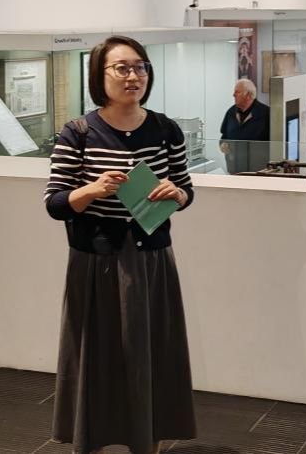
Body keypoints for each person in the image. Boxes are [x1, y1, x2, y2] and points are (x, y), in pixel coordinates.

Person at [44, 35, 197, 454]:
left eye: (140, 67)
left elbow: (185, 189)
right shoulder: (78, 132)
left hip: (151, 261)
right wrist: (92, 190)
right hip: (97, 262)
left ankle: (145, 442)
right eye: (122, 68)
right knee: (96, 358)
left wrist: (177, 194)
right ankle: (91, 441)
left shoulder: (165, 129)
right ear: (100, 75)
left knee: (151, 355)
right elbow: (55, 203)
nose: (133, 76)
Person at [219, 78, 271, 173]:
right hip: (234, 170)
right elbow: (224, 136)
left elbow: (273, 144)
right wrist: (223, 144)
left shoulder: (266, 114)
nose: (233, 95)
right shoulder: (231, 112)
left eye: (237, 92)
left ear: (248, 95)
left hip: (258, 172)